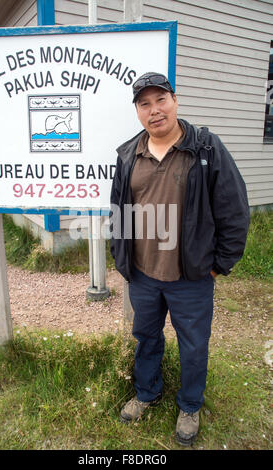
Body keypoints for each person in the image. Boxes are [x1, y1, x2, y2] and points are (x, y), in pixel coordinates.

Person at [110, 72, 250, 446]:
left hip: (191, 275)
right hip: (143, 274)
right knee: (146, 337)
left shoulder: (205, 149)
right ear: (138, 112)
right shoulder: (128, 155)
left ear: (175, 101)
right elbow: (118, 211)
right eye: (145, 104)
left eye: (161, 100)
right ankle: (147, 392)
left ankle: (189, 405)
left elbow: (234, 210)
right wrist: (121, 256)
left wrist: (221, 263)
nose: (154, 110)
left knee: (193, 344)